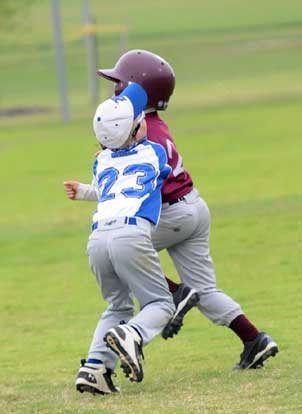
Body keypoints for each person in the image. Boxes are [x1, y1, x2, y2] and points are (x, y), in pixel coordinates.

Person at [66, 50, 279, 370]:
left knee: (121, 252)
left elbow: (126, 185)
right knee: (206, 290)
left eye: (120, 83)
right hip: (192, 206)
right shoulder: (154, 125)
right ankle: (254, 340)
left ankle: (165, 305)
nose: (116, 90)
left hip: (169, 213)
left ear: (138, 90)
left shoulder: (137, 129)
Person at [64, 82, 175, 395]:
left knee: (117, 304)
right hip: (131, 234)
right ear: (137, 129)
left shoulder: (100, 161)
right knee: (160, 303)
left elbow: (113, 188)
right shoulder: (154, 152)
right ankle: (133, 334)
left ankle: (94, 368)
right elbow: (158, 175)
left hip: (98, 237)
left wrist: (85, 191)